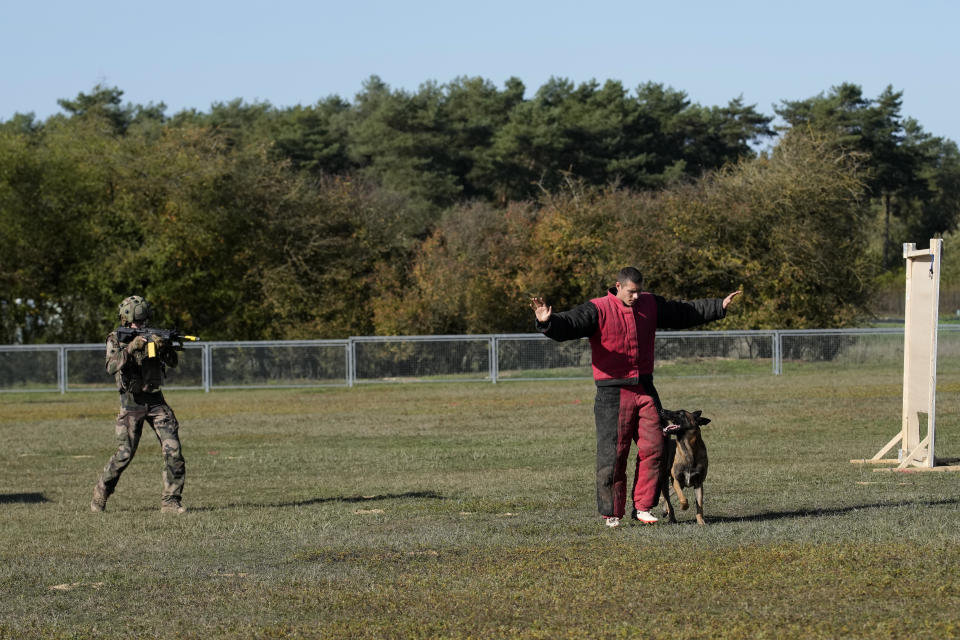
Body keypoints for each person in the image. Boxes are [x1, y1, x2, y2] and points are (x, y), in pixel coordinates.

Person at [530, 267, 739, 528]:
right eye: (632, 292)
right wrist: (547, 322)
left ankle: (643, 507)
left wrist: (717, 306)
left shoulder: (649, 303)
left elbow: (683, 312)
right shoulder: (598, 309)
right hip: (612, 392)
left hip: (645, 388)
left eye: (640, 291)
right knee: (614, 454)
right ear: (618, 286)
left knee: (657, 447)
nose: (637, 297)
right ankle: (612, 512)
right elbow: (570, 324)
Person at [90, 295, 187, 514]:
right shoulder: (116, 338)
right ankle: (101, 494)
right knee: (125, 454)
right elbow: (111, 367)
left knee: (174, 450)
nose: (139, 326)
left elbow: (172, 362)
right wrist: (131, 348)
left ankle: (171, 501)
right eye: (135, 322)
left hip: (156, 401)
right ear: (125, 321)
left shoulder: (153, 336)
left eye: (142, 322)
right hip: (131, 403)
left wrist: (164, 347)